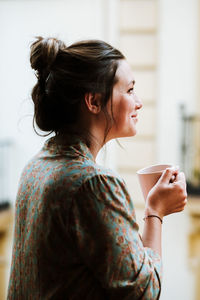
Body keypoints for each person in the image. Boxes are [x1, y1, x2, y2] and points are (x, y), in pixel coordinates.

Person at [7, 37, 187, 300]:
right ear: (93, 101)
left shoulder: (35, 167)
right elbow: (145, 293)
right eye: (129, 90)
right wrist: (155, 212)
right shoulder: (93, 184)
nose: (138, 102)